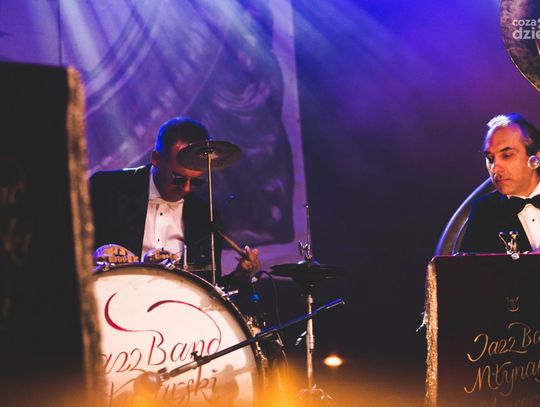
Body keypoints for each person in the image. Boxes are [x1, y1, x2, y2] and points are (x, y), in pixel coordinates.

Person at [89, 116, 260, 284]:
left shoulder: (204, 216)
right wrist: (95, 258)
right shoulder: (108, 188)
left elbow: (209, 289)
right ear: (156, 159)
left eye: (196, 181)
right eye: (178, 178)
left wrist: (239, 276)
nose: (186, 188)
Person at [461, 113, 540, 253]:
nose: (494, 168)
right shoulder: (483, 212)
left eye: (506, 155)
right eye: (490, 159)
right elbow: (469, 266)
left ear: (536, 158)